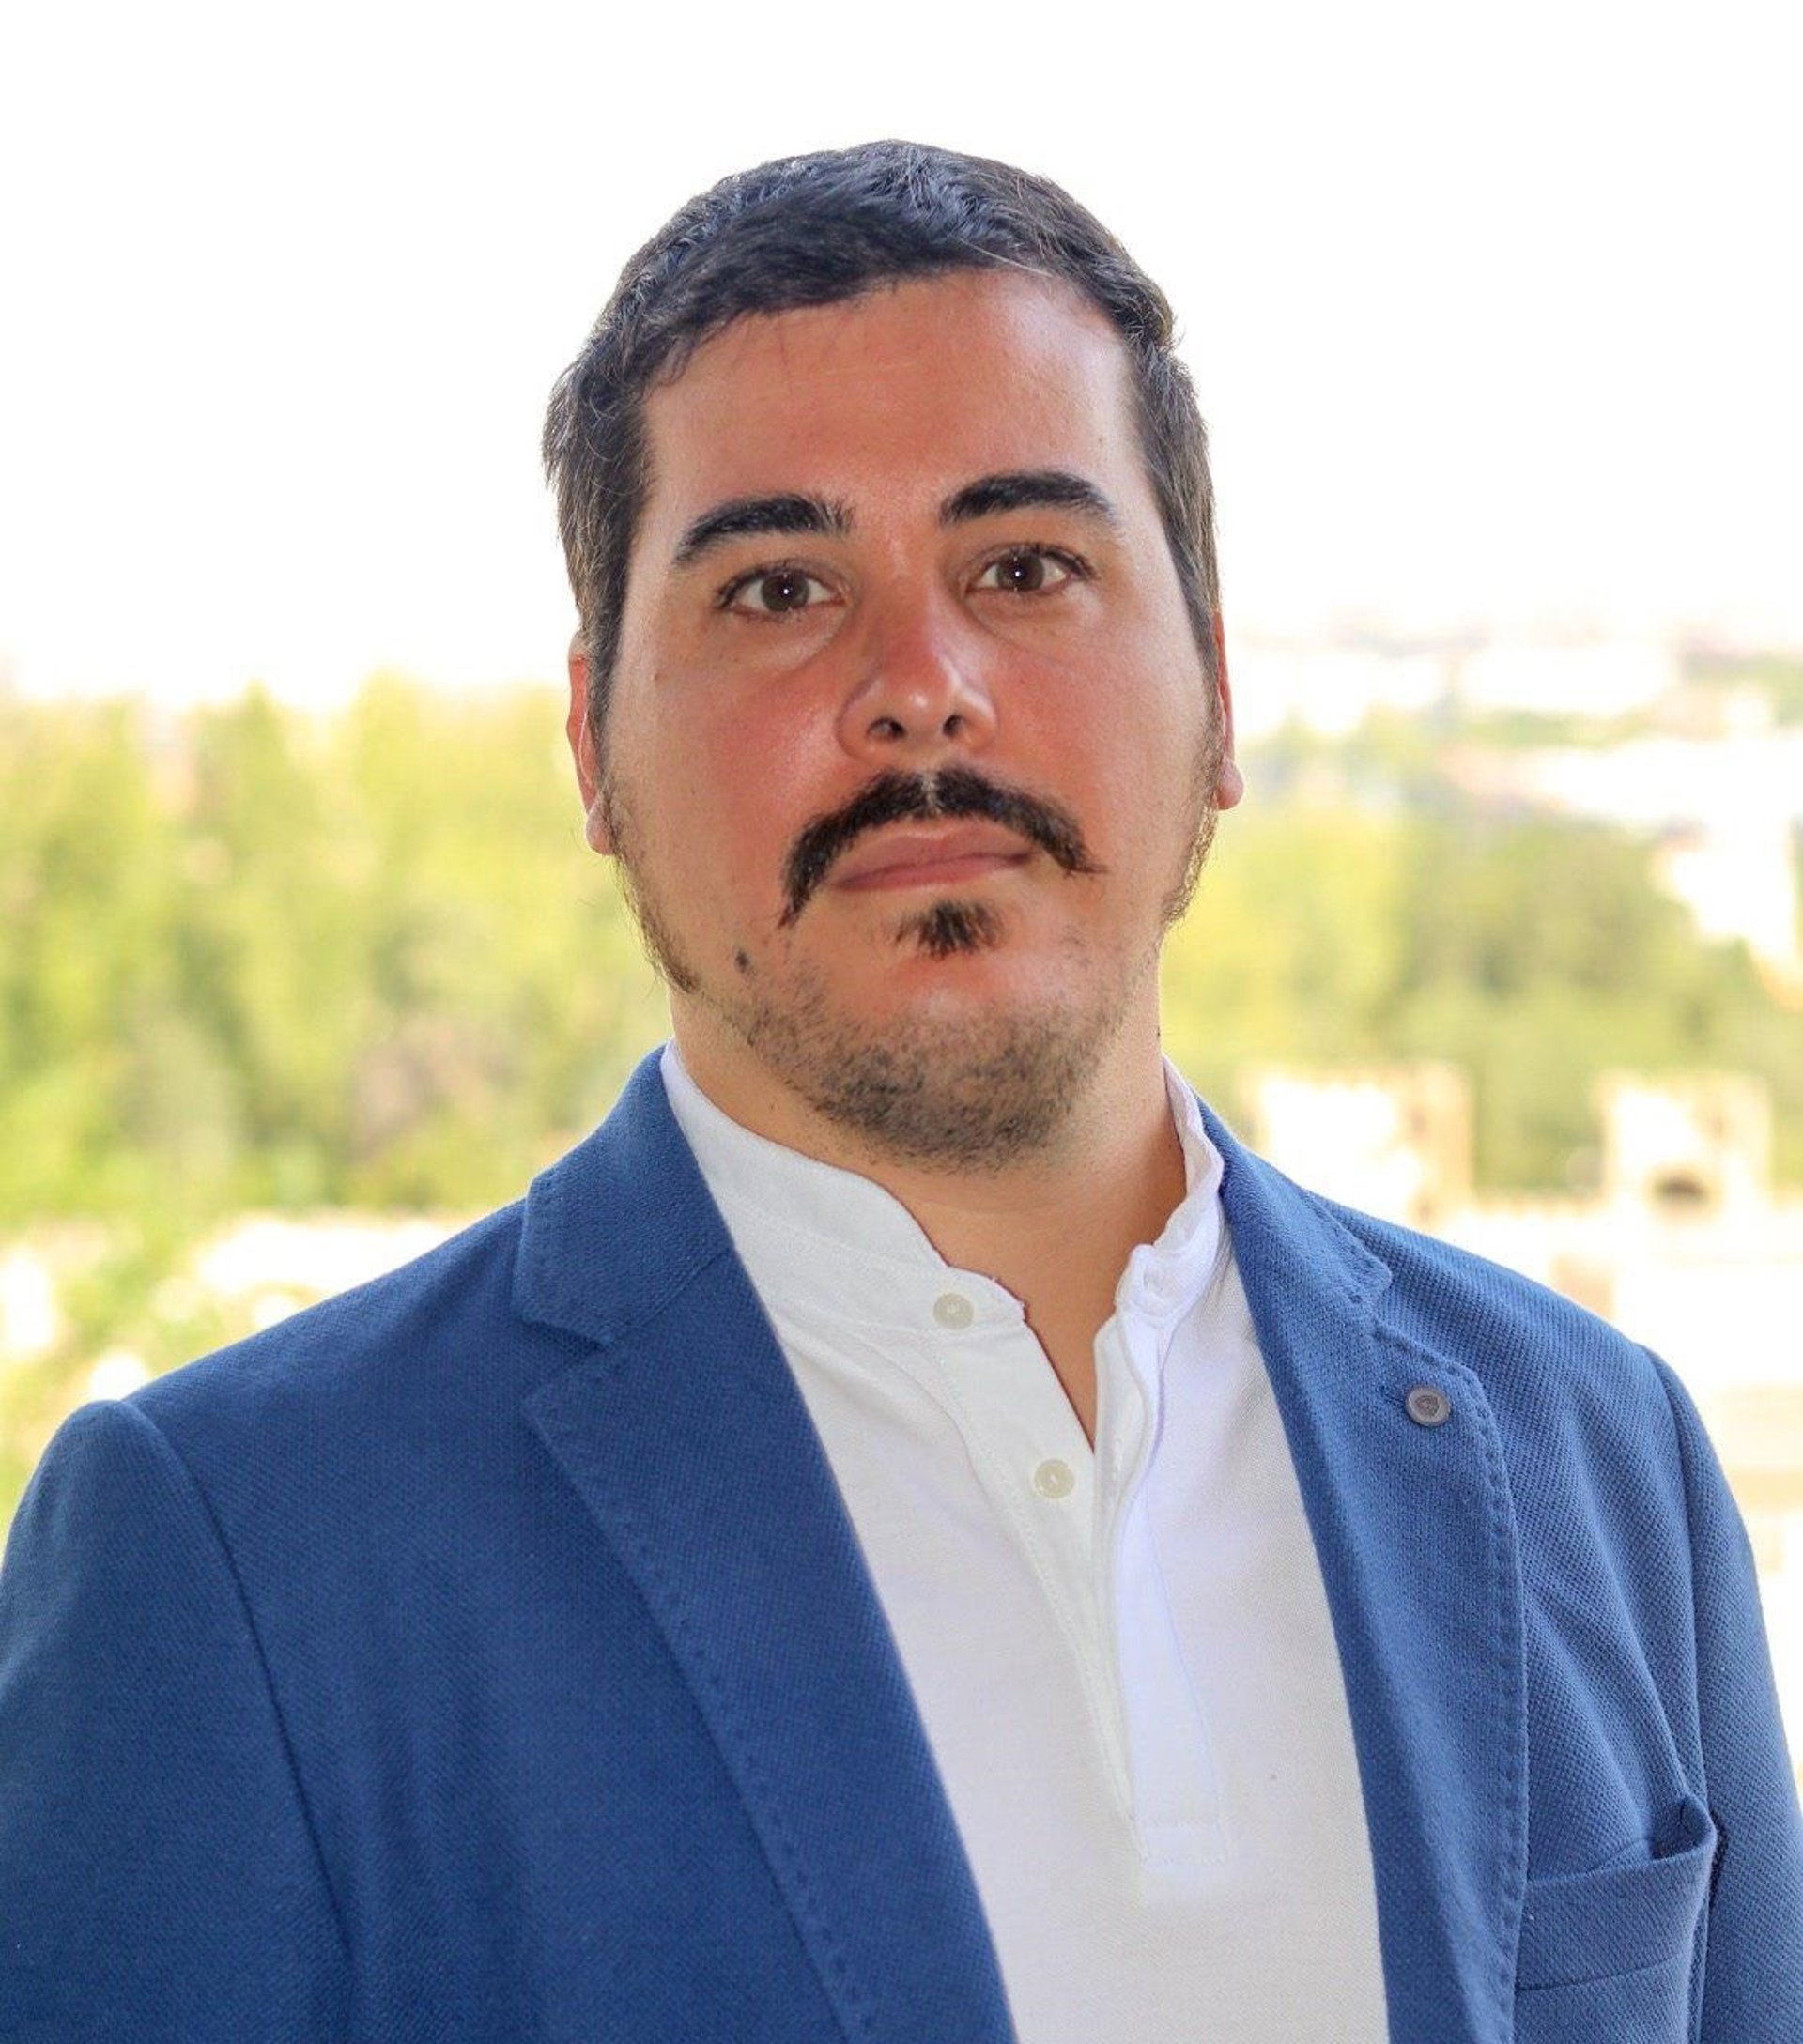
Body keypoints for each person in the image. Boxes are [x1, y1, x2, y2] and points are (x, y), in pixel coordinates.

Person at [1, 140, 1797, 2044]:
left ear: (1220, 695)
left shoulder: (1599, 1459)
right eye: (780, 588)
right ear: (593, 749)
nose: (922, 686)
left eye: (1025, 567)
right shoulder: (241, 1558)